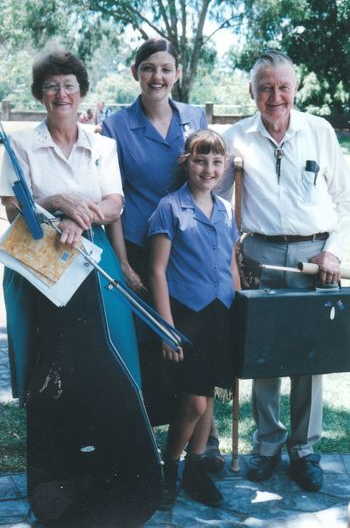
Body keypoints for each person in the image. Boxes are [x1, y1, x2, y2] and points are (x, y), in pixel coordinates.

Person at [0, 50, 147, 519]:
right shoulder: (18, 144)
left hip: (94, 273)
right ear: (39, 95)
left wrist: (80, 216)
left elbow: (115, 202)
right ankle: (55, 479)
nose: (61, 94)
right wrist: (61, 202)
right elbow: (12, 205)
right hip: (40, 270)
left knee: (103, 362)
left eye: (68, 85)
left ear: (81, 92)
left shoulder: (102, 145)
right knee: (52, 371)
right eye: (51, 87)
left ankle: (108, 475)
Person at [222, 50, 350, 491]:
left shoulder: (319, 131)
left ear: (296, 89)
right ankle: (268, 444)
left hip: (316, 258)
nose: (275, 96)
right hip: (259, 253)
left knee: (308, 356)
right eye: (265, 88)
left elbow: (345, 201)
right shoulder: (236, 137)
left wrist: (333, 253)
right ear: (252, 92)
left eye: (282, 87)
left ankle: (304, 449)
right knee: (264, 353)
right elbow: (216, 199)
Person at [102, 38, 224, 470]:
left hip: (188, 255)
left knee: (197, 350)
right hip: (140, 251)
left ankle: (203, 449)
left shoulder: (193, 117)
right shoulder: (116, 125)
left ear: (176, 74)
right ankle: (147, 450)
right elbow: (112, 197)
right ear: (136, 72)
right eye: (149, 68)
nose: (158, 76)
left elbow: (213, 170)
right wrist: (122, 261)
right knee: (153, 353)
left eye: (166, 68)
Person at [148, 129, 241, 509]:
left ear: (224, 168)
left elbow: (231, 262)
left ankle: (197, 469)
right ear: (187, 162)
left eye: (217, 162)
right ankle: (169, 469)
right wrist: (166, 329)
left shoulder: (225, 209)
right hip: (187, 317)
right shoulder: (169, 208)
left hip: (221, 314)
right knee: (194, 404)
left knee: (208, 397)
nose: (209, 168)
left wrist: (240, 310)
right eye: (201, 160)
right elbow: (157, 271)